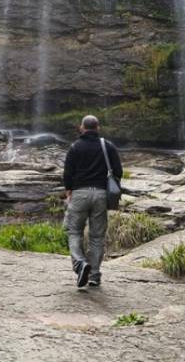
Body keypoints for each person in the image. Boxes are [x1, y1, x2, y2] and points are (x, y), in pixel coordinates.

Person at [62, 114, 123, 289]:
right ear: (98, 127)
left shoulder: (75, 147)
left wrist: (69, 191)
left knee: (74, 232)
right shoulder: (107, 146)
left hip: (79, 194)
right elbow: (118, 171)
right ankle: (94, 275)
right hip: (101, 195)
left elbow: (68, 173)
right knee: (97, 237)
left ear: (82, 128)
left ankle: (80, 263)